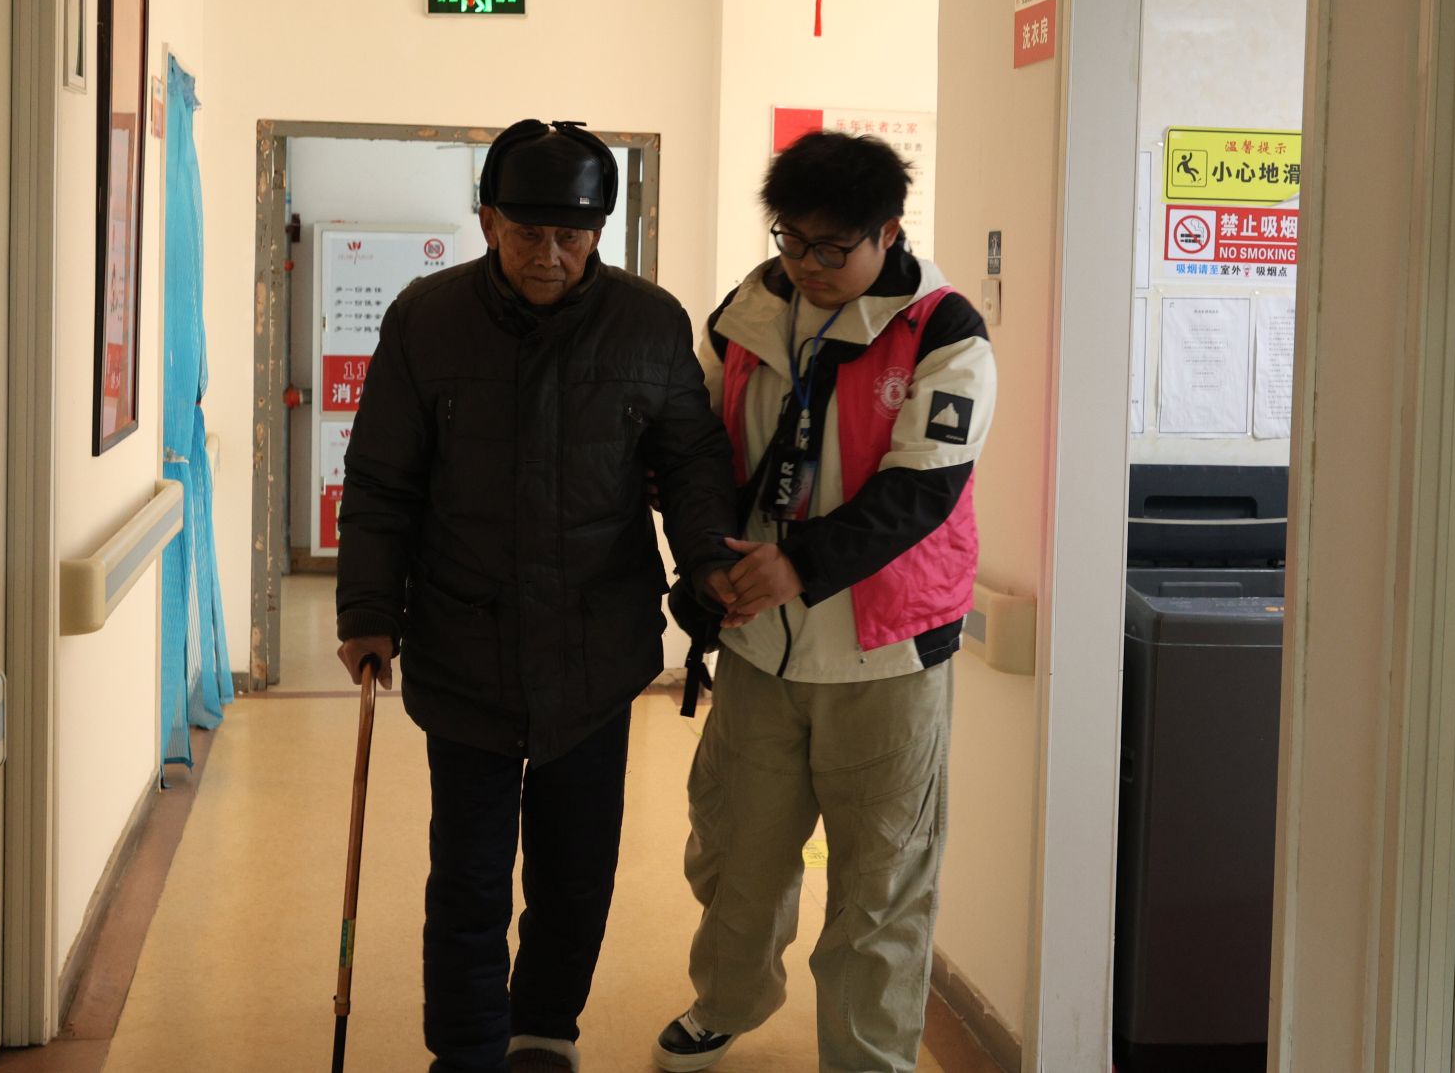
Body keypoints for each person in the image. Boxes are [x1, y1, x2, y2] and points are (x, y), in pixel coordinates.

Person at [336, 119, 737, 1073]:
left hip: (597, 651)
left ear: (600, 230)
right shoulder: (427, 319)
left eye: (572, 234)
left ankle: (545, 1030)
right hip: (463, 641)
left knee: (576, 871)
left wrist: (708, 569)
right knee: (468, 876)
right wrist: (368, 611)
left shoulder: (648, 323)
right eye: (528, 233)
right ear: (487, 221)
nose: (550, 255)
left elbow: (691, 463)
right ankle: (466, 1051)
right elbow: (382, 478)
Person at [655, 131, 997, 1073]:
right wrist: (706, 557)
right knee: (736, 849)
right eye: (792, 239)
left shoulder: (944, 331)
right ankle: (727, 1001)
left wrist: (799, 564)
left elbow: (921, 488)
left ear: (888, 232)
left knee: (879, 881)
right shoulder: (746, 311)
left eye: (832, 247)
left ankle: (868, 1056)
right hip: (758, 643)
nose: (807, 264)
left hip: (886, 652)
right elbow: (694, 448)